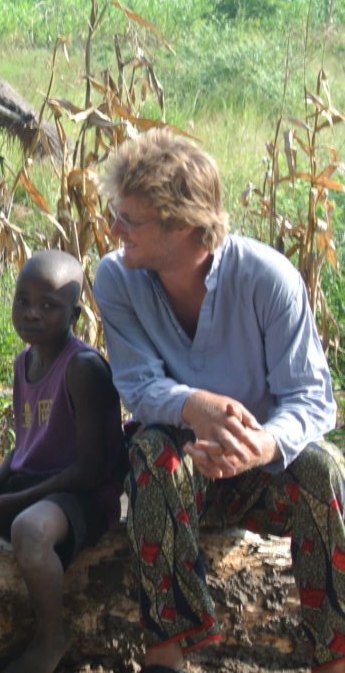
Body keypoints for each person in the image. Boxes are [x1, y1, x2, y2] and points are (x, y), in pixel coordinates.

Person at [93, 128, 345, 673]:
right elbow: (137, 385)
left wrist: (263, 444)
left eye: (129, 221)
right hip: (178, 476)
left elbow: (311, 398)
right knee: (153, 451)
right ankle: (166, 654)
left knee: (324, 469)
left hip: (260, 475)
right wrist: (197, 407)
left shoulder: (266, 279)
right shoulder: (117, 278)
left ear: (179, 224)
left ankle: (333, 656)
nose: (114, 230)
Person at [0, 249, 126, 673]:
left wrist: (7, 504)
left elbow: (93, 469)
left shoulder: (82, 368)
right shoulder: (23, 363)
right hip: (32, 482)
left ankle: (51, 637)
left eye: (49, 305)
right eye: (22, 301)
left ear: (75, 315)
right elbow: (24, 445)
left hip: (79, 496)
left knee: (29, 529)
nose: (31, 313)